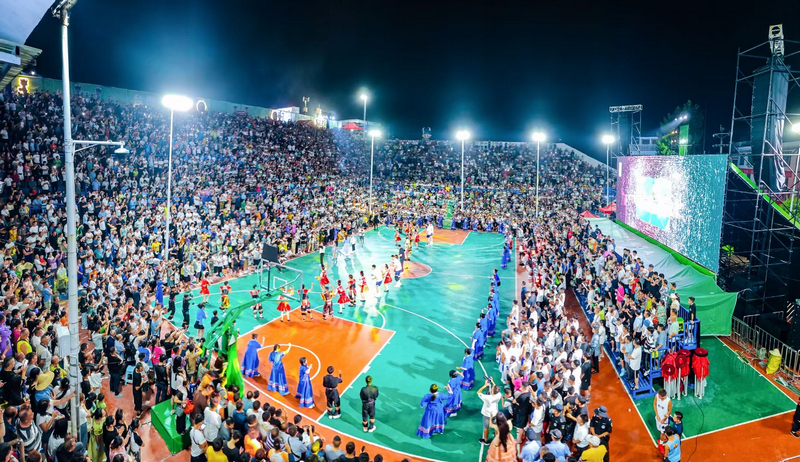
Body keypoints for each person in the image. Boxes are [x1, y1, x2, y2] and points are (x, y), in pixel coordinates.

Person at [477, 379, 502, 445]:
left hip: (487, 414)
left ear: (492, 391)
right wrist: (493, 382)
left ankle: (485, 440)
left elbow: (478, 392)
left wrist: (485, 385)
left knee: (486, 427)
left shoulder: (487, 398)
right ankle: (496, 436)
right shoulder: (499, 395)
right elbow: (496, 388)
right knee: (495, 425)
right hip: (495, 412)